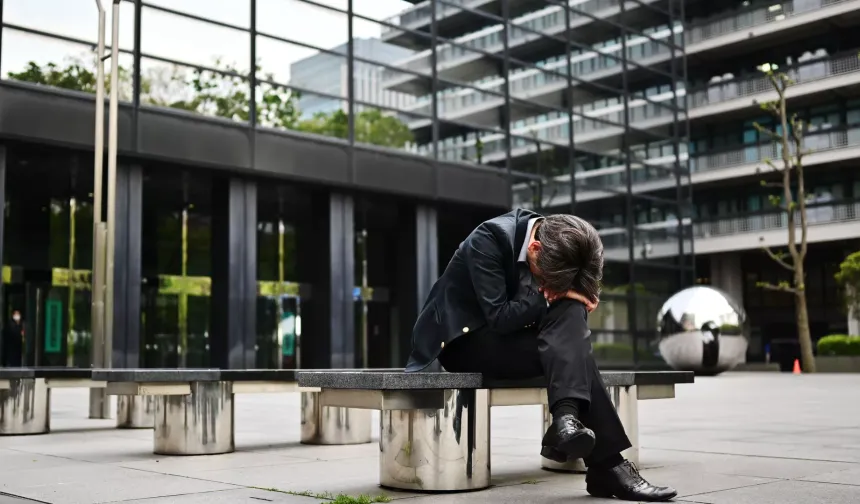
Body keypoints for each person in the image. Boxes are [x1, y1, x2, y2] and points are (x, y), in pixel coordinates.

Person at [406, 209, 677, 502]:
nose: (545, 284)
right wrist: (553, 296)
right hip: (464, 341)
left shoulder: (562, 243)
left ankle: (568, 423)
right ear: (534, 249)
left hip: (513, 340)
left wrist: (569, 297)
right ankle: (602, 460)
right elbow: (499, 317)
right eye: (545, 278)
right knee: (574, 351)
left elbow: (563, 322)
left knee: (571, 320)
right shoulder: (488, 239)